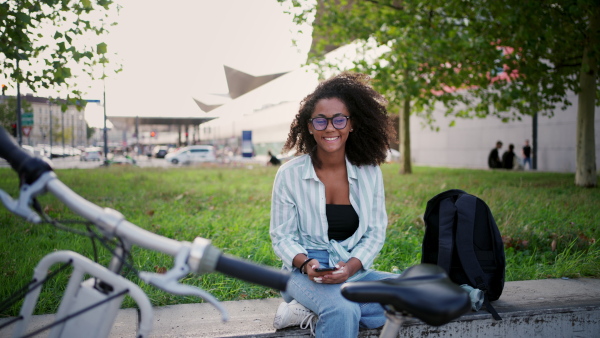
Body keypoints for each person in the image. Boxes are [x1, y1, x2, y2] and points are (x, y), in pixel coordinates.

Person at [269, 72, 397, 337]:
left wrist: (350, 267)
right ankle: (326, 306)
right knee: (342, 310)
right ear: (309, 126)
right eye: (321, 120)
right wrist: (306, 263)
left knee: (411, 293)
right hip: (303, 272)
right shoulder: (289, 174)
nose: (330, 127)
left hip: (351, 269)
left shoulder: (369, 172)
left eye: (339, 119)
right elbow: (281, 236)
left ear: (351, 124)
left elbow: (375, 232)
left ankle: (309, 311)